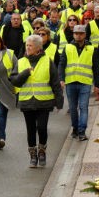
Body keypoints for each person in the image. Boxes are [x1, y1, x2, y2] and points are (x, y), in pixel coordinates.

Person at [9, 35, 63, 167]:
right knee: (31, 129)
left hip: (44, 101)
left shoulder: (47, 61)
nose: (27, 48)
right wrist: (25, 73)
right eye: (27, 45)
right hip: (27, 100)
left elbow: (55, 82)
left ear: (38, 47)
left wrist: (59, 100)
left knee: (42, 128)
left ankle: (42, 150)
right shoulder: (21, 61)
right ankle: (33, 154)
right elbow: (14, 81)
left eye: (30, 46)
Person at [58, 25, 99, 141]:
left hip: (85, 83)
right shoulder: (67, 48)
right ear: (73, 34)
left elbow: (96, 68)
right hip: (71, 82)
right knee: (72, 108)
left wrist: (97, 84)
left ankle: (82, 131)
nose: (78, 35)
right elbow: (61, 65)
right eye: (76, 33)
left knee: (83, 107)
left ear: (85, 35)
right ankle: (75, 128)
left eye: (81, 33)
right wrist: (61, 79)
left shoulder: (91, 49)